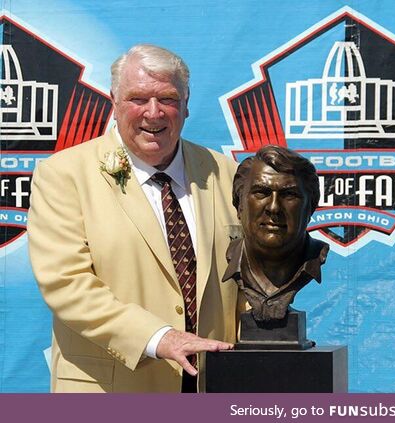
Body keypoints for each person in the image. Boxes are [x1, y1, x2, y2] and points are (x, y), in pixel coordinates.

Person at [27, 44, 245, 393]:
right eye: (138, 99)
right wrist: (160, 338)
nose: (154, 113)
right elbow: (66, 284)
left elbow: (248, 280)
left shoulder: (227, 174)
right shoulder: (63, 176)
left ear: (187, 105)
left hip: (212, 387)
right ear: (114, 101)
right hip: (110, 391)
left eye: (168, 99)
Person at [223, 146, 329, 322]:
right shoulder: (230, 257)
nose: (273, 207)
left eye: (289, 195)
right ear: (239, 205)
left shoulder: (315, 256)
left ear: (309, 208)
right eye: (261, 193)